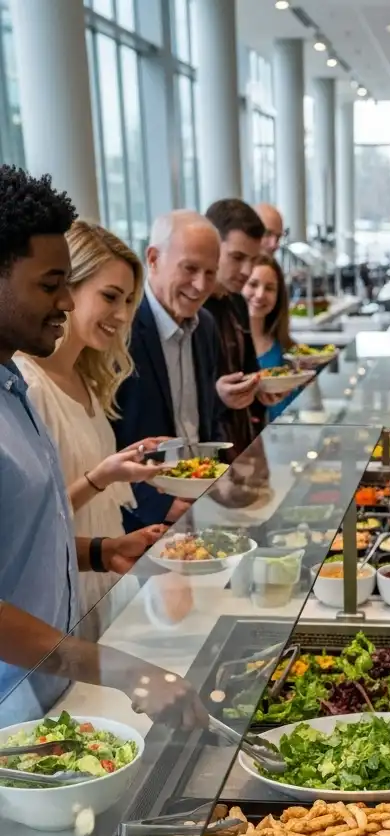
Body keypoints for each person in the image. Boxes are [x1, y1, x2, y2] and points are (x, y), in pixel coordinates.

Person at [0, 164, 202, 727]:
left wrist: (94, 552)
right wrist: (117, 668)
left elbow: (21, 530)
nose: (65, 302)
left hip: (47, 690)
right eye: (48, 284)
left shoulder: (14, 385)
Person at [15, 219, 167, 624]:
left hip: (101, 576)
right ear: (70, 289)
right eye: (110, 297)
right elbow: (29, 524)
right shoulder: (28, 382)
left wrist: (122, 466)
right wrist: (102, 476)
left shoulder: (86, 377)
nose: (121, 315)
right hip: (61, 590)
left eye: (129, 301)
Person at [115, 210, 260, 530]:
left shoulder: (205, 326)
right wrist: (159, 506)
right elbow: (107, 439)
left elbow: (204, 417)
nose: (201, 285)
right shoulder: (120, 330)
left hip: (201, 505)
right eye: (190, 269)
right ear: (153, 259)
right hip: (142, 521)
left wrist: (222, 475)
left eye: (211, 272)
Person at [204, 198, 279, 457]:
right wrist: (217, 397)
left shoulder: (236, 301)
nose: (247, 270)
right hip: (206, 456)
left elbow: (250, 372)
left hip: (243, 447)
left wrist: (262, 391)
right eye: (237, 258)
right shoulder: (194, 308)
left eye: (253, 259)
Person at [243, 254, 302, 421]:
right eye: (253, 284)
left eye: (269, 288)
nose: (260, 294)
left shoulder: (287, 349)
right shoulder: (226, 348)